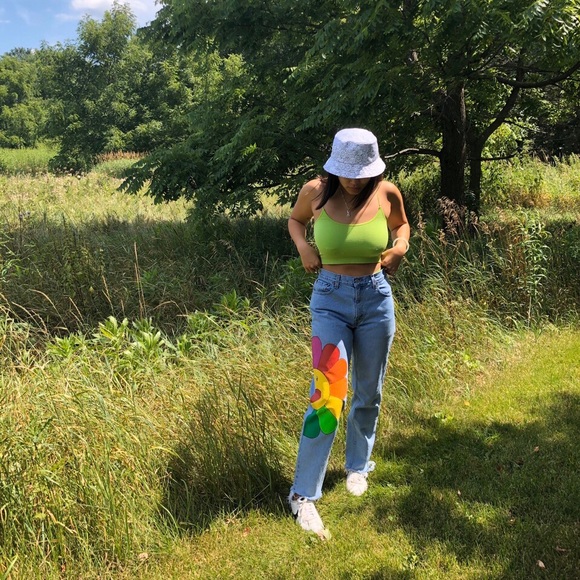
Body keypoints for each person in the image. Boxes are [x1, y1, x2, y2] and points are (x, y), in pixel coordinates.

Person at [287, 128, 410, 535]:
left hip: (376, 297)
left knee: (369, 391)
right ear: (334, 166)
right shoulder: (315, 192)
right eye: (348, 173)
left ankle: (358, 465)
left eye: (363, 174)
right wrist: (304, 246)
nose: (355, 181)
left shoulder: (387, 193)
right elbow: (295, 221)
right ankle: (302, 494)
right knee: (328, 394)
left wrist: (399, 248)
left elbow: (402, 227)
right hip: (330, 298)